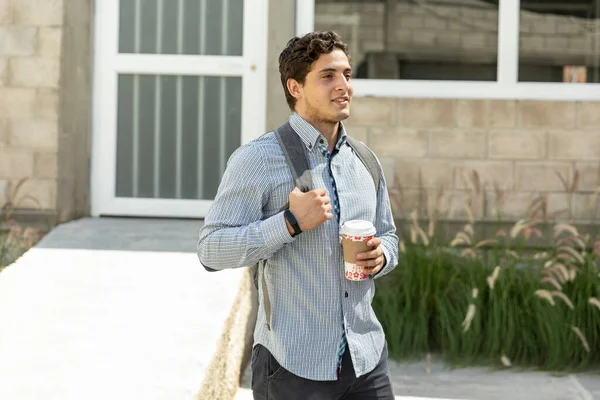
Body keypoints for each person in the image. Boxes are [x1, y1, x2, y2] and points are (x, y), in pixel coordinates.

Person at [197, 31, 399, 400]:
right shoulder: (257, 160)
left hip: (366, 362)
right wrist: (288, 223)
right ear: (295, 87)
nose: (343, 86)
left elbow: (389, 235)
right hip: (293, 368)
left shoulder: (365, 162)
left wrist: (381, 255)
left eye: (347, 75)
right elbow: (211, 250)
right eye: (328, 76)